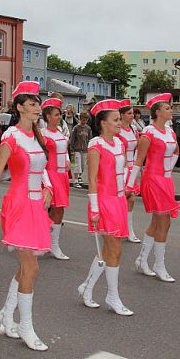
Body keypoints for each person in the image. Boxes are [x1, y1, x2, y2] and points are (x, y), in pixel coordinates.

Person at [0, 81, 53, 351]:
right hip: (19, 204)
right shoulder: (11, 137)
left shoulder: (38, 136)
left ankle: (6, 313)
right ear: (18, 108)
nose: (37, 108)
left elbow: (42, 165)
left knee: (26, 267)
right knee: (32, 268)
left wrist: (48, 186)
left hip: (37, 206)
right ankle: (25, 326)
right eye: (31, 104)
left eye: (38, 103)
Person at [77, 99, 134, 316]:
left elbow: (125, 167)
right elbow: (91, 179)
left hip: (118, 200)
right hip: (103, 200)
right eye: (116, 119)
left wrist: (129, 185)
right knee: (115, 250)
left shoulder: (119, 143)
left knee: (108, 250)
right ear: (103, 123)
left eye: (120, 119)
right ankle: (112, 296)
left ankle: (87, 287)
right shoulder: (95, 145)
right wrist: (93, 208)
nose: (120, 123)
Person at [129, 93, 179, 282]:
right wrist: (129, 184)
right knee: (163, 221)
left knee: (158, 222)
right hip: (152, 179)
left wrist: (168, 169)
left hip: (166, 180)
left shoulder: (170, 132)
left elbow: (175, 151)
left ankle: (142, 259)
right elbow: (138, 160)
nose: (171, 110)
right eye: (167, 108)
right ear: (157, 112)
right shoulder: (148, 133)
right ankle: (159, 265)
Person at [41, 97, 71, 260]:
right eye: (56, 114)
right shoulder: (43, 134)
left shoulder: (60, 132)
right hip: (50, 174)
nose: (59, 117)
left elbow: (64, 148)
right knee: (46, 209)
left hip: (62, 175)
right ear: (47, 117)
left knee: (59, 209)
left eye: (59, 114)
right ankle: (44, 241)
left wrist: (66, 159)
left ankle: (53, 245)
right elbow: (42, 156)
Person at [118, 101, 141, 243]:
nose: (132, 115)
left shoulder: (134, 129)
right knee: (125, 198)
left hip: (132, 168)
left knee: (130, 199)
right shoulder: (117, 130)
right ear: (121, 115)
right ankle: (123, 228)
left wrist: (138, 165)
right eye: (129, 113)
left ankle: (127, 228)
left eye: (132, 113)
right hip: (121, 168)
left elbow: (138, 147)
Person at [69, 111, 92, 188]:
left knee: (82, 166)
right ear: (80, 119)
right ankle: (75, 180)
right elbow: (72, 138)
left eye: (86, 120)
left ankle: (79, 176)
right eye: (83, 119)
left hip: (85, 149)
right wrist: (72, 148)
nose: (84, 121)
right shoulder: (76, 128)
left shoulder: (88, 129)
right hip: (77, 148)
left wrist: (89, 148)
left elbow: (89, 138)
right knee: (77, 164)